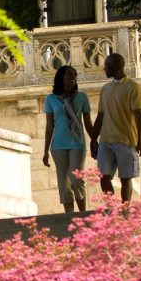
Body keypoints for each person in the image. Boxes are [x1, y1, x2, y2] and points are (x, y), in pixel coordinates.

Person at [90, 53, 141, 201]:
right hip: (105, 140)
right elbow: (100, 117)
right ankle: (111, 207)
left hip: (126, 140)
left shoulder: (133, 87)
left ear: (117, 67)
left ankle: (125, 209)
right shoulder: (105, 89)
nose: (104, 69)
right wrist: (93, 139)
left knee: (125, 178)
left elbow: (139, 116)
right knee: (103, 176)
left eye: (107, 66)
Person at [43, 65, 94, 212]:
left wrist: (94, 141)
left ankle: (83, 214)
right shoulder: (51, 99)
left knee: (76, 179)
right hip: (58, 144)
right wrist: (45, 152)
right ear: (61, 78)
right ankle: (69, 217)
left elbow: (88, 123)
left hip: (77, 143)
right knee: (63, 183)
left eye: (74, 75)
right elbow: (49, 126)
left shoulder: (82, 97)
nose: (72, 78)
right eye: (69, 75)